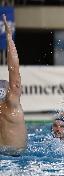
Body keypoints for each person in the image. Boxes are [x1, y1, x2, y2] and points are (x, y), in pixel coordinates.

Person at [0, 14, 27, 156]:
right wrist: (9, 37)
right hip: (16, 157)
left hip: (13, 157)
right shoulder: (11, 102)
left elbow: (13, 70)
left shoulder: (11, 103)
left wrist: (9, 38)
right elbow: (14, 70)